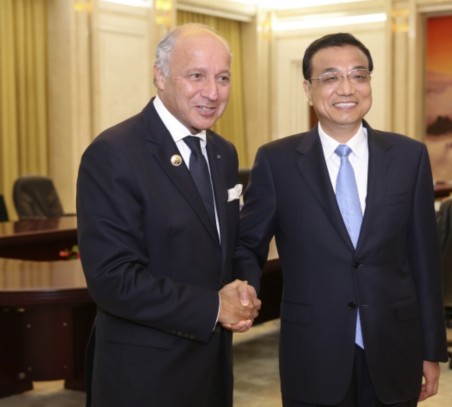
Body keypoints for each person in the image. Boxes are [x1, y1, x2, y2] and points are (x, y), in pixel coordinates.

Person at [235, 33, 448, 406]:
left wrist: (431, 349)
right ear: (308, 89)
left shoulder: (409, 157)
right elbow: (247, 245)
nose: (347, 88)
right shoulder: (277, 162)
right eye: (331, 77)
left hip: (395, 347)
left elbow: (424, 262)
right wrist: (244, 291)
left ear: (369, 83)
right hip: (313, 351)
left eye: (358, 75)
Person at [77, 24, 261, 407]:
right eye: (196, 76)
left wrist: (244, 291)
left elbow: (226, 245)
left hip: (212, 371)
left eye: (223, 78)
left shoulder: (223, 153)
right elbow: (113, 279)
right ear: (160, 77)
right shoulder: (114, 153)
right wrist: (215, 307)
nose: (213, 92)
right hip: (143, 377)